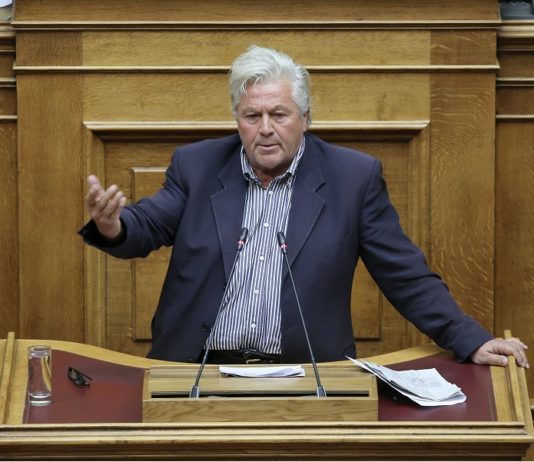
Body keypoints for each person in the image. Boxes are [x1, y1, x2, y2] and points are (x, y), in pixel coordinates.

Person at [80, 45, 529, 368]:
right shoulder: (197, 166)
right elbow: (148, 224)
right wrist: (114, 225)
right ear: (237, 119)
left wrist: (470, 339)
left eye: (279, 114)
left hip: (306, 373)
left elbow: (405, 275)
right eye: (252, 116)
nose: (265, 129)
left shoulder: (353, 179)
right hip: (197, 367)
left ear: (305, 119)